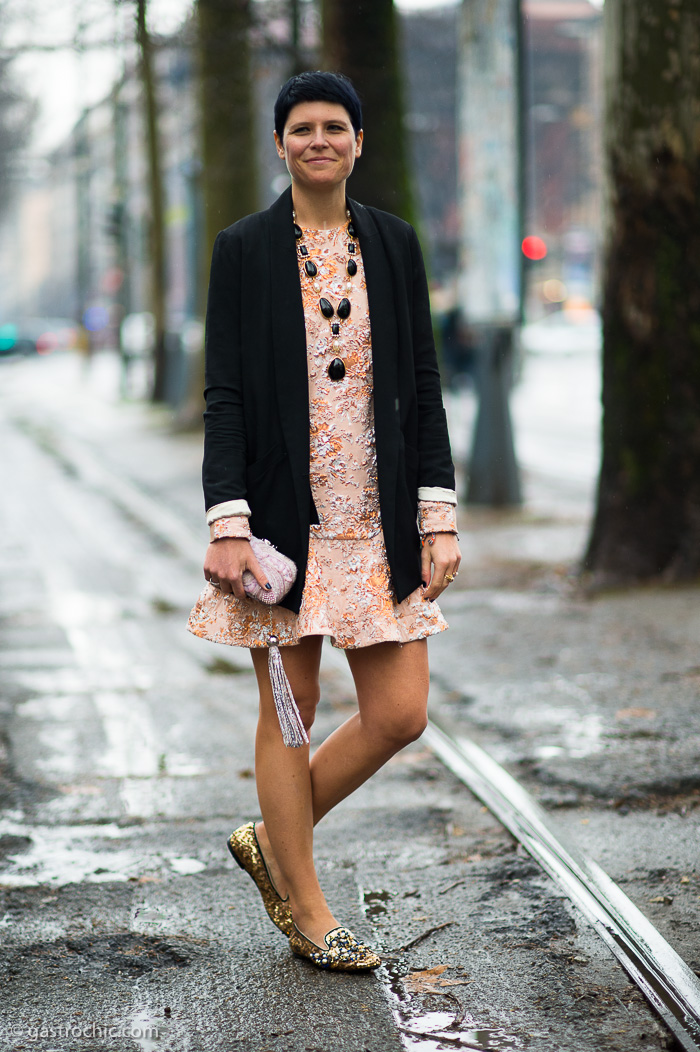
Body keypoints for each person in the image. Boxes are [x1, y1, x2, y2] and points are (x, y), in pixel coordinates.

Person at [187, 71, 461, 971]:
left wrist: (437, 511)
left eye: (335, 127)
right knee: (292, 711)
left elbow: (422, 382)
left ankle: (274, 840)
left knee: (401, 712)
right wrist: (226, 520)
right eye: (301, 128)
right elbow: (223, 394)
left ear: (358, 141)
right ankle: (308, 908)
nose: (319, 140)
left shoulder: (392, 243)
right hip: (278, 531)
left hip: (374, 525)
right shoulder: (243, 249)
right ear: (279, 144)